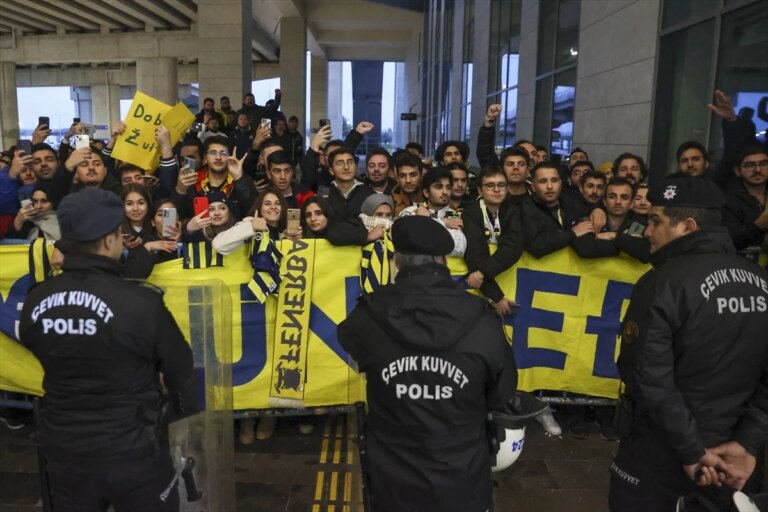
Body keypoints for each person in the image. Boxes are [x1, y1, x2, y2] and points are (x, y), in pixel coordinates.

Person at [19, 188, 199, 511]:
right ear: (108, 240)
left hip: (64, 452)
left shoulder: (37, 299)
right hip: (134, 452)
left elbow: (36, 344)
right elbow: (181, 370)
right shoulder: (140, 302)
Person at [338, 215, 518, 512]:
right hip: (462, 479)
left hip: (393, 479)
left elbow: (348, 342)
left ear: (397, 262)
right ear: (445, 261)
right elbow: (502, 392)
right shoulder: (482, 319)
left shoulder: (369, 314)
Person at [609, 175, 768, 511]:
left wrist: (692, 451)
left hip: (660, 456)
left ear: (687, 226)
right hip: (732, 459)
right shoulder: (761, 281)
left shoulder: (661, 282)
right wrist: (748, 443)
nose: (647, 232)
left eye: (654, 221)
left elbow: (647, 376)